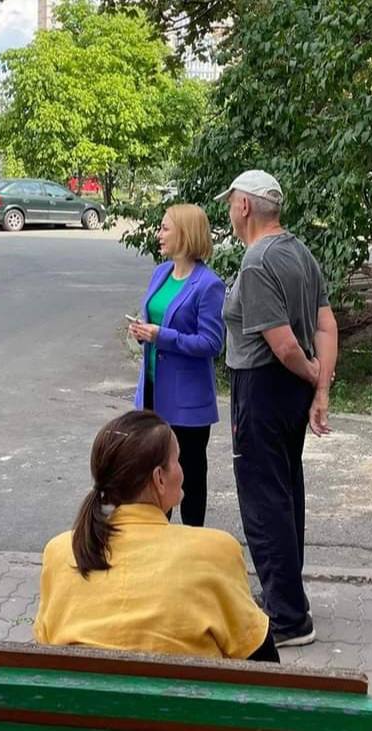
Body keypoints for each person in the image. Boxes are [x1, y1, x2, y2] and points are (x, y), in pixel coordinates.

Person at [35, 410, 277, 662]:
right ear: (159, 478)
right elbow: (265, 664)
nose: (182, 471)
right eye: (178, 461)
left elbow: (44, 647)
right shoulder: (216, 551)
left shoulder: (61, 552)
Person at [216, 170, 338, 648]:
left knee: (264, 501)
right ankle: (284, 595)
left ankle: (287, 618)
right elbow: (326, 326)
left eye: (231, 204)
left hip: (263, 387)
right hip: (288, 392)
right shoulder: (300, 253)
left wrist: (313, 376)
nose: (229, 211)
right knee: (286, 492)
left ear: (244, 207)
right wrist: (321, 386)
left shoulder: (257, 262)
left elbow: (286, 345)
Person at [128, 204, 225, 527]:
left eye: (165, 228)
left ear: (184, 233)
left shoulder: (208, 284)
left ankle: (192, 543)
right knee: (154, 476)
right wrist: (143, 331)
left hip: (187, 404)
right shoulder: (161, 273)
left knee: (190, 478)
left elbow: (212, 343)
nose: (159, 234)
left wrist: (162, 336)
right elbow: (155, 320)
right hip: (153, 396)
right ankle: (159, 541)